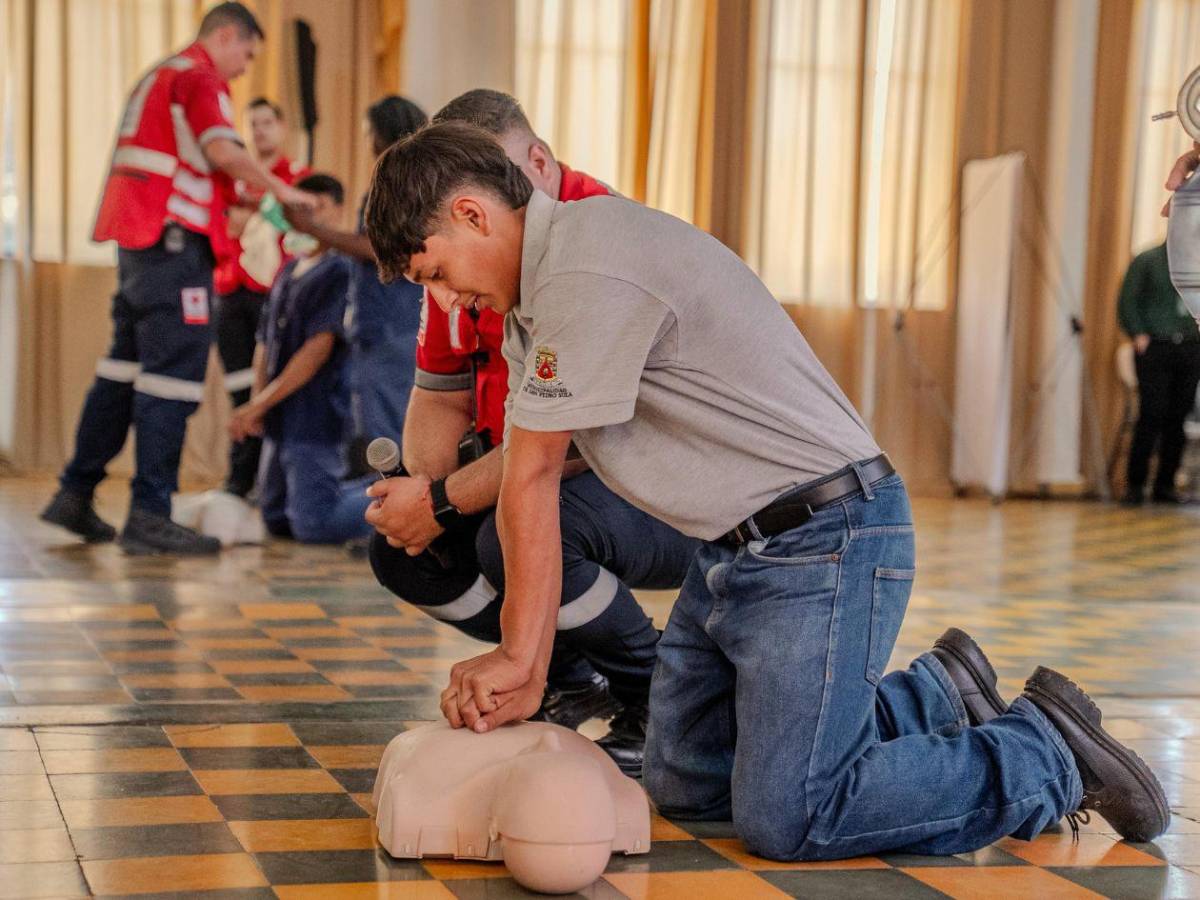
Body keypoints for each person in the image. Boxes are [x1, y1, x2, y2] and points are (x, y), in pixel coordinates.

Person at [363, 122, 1169, 860]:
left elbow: (531, 476)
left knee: (794, 816)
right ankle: (934, 698)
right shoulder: (540, 296)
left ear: (472, 214)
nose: (442, 299)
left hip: (828, 536)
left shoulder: (584, 267)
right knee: (685, 782)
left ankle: (1042, 753)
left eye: (434, 272)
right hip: (737, 552)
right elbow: (531, 460)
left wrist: (521, 662)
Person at [363, 90, 700, 776]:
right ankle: (569, 676)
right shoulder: (465, 262)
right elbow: (439, 396)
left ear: (536, 165)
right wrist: (427, 499)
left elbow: (571, 448)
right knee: (408, 551)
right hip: (525, 467)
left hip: (655, 494)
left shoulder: (594, 247)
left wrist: (446, 499)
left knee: (511, 532)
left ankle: (660, 691)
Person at [41, 2, 312, 555]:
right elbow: (220, 149)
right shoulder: (200, 76)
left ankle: (76, 490)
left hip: (139, 242)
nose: (243, 68)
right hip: (172, 246)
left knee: (122, 370)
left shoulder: (160, 75)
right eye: (246, 54)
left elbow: (194, 162)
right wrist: (282, 191)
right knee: (173, 378)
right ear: (227, 35)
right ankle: (149, 512)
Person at [285, 96, 427, 475]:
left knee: (390, 434)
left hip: (393, 330)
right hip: (381, 328)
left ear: (383, 133)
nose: (369, 143)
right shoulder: (397, 181)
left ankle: (398, 528)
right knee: (374, 432)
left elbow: (381, 250)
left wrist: (313, 229)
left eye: (369, 134)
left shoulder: (400, 183)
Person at [228, 174, 370, 544]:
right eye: (301, 209)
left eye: (318, 208)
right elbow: (265, 342)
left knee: (314, 525)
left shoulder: (339, 270)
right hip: (280, 421)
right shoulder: (290, 270)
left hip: (315, 419)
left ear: (339, 210)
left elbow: (317, 350)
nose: (307, 219)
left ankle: (395, 500)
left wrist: (260, 403)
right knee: (275, 518)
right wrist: (258, 405)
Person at [213, 96, 310, 499]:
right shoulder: (232, 181)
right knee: (239, 388)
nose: (260, 130)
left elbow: (305, 231)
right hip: (230, 291)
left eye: (268, 122)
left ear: (283, 128)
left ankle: (271, 481)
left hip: (274, 295)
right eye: (253, 124)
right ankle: (240, 477)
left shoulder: (299, 178)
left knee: (270, 389)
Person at [1118, 242, 1200, 504]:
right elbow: (1128, 300)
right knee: (1152, 414)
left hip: (1189, 346)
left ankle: (1165, 485)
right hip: (1156, 346)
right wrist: (1138, 332)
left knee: (1178, 418)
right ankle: (1135, 484)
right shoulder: (1148, 260)